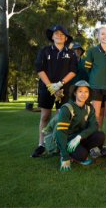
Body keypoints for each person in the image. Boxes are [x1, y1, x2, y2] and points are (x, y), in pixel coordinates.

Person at [31, 25, 77, 158]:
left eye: (62, 34)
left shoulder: (71, 53)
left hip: (64, 89)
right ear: (52, 36)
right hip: (47, 89)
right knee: (45, 117)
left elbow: (73, 71)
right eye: (56, 34)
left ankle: (58, 144)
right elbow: (40, 69)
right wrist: (51, 86)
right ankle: (42, 144)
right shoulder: (44, 51)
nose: (59, 36)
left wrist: (59, 85)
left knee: (60, 118)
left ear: (66, 38)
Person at [52, 80, 105, 171]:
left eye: (86, 91)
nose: (83, 94)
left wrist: (79, 137)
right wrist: (65, 157)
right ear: (75, 93)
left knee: (100, 136)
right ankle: (64, 153)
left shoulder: (89, 108)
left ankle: (79, 151)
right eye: (80, 91)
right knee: (82, 155)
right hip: (67, 139)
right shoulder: (67, 108)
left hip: (80, 137)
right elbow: (60, 133)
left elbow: (94, 126)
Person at [84, 24, 106, 156]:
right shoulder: (92, 51)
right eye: (102, 33)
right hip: (96, 88)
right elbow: (87, 69)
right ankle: (95, 146)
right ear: (98, 36)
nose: (105, 36)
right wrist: (95, 80)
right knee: (97, 117)